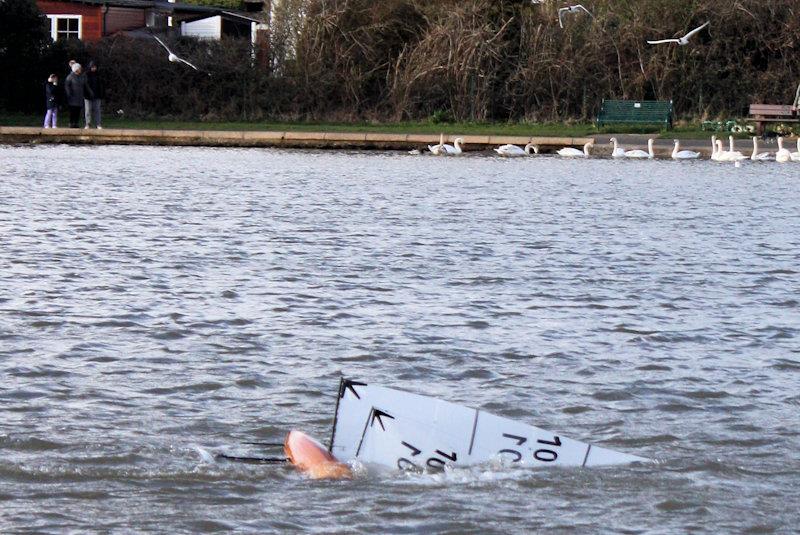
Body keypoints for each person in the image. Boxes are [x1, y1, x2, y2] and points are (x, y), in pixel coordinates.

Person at [64, 63, 93, 129]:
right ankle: (71, 123)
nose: (81, 69)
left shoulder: (82, 76)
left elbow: (86, 85)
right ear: (76, 69)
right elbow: (67, 85)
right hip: (72, 97)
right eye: (79, 68)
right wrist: (68, 93)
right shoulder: (70, 76)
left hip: (79, 96)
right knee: (72, 111)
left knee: (78, 110)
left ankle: (76, 123)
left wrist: (90, 92)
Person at [84, 61, 104, 129]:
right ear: (90, 67)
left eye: (95, 67)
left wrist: (101, 94)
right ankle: (88, 124)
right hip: (87, 96)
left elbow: (101, 85)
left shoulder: (98, 75)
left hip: (97, 95)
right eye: (92, 67)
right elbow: (85, 85)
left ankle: (98, 124)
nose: (94, 68)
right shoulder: (86, 74)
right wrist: (86, 93)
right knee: (88, 110)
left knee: (97, 110)